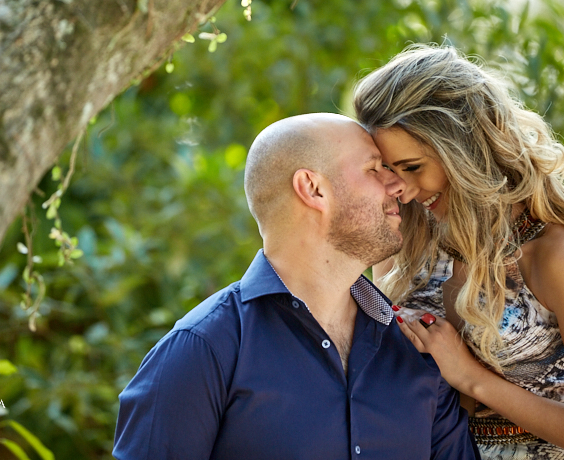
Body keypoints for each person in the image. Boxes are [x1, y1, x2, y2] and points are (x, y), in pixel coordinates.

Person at [113, 113, 480, 460]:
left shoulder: (417, 353)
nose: (398, 185)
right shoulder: (202, 350)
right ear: (313, 188)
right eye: (374, 169)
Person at [352, 45, 564, 460]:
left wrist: (470, 377)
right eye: (391, 171)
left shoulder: (554, 256)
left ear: (464, 150)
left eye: (413, 167)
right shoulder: (408, 238)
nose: (405, 190)